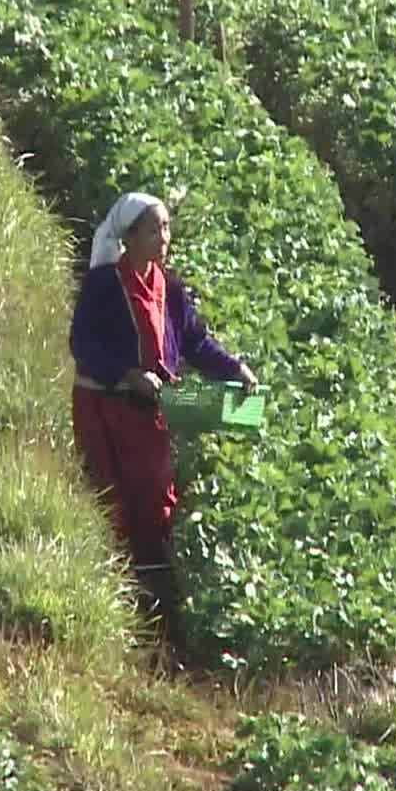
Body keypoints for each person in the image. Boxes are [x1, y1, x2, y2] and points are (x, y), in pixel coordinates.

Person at [69, 192, 256, 580]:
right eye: (154, 229)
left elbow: (195, 342)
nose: (164, 237)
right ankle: (114, 580)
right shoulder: (103, 284)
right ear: (131, 236)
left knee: (155, 494)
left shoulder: (169, 288)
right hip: (104, 407)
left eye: (167, 228)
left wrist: (234, 369)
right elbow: (83, 344)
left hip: (151, 408)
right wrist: (128, 373)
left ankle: (153, 581)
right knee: (109, 491)